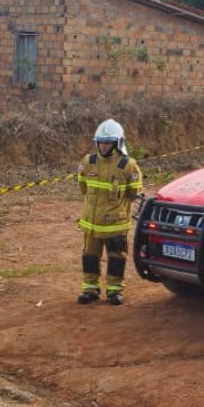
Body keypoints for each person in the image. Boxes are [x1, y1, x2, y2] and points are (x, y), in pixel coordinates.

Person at [77, 118, 142, 306]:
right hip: (91, 224)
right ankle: (90, 289)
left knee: (116, 258)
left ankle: (114, 291)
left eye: (108, 142)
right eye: (101, 142)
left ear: (117, 143)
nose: (103, 146)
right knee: (89, 256)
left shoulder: (128, 165)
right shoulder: (88, 162)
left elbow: (133, 193)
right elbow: (83, 188)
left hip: (116, 224)